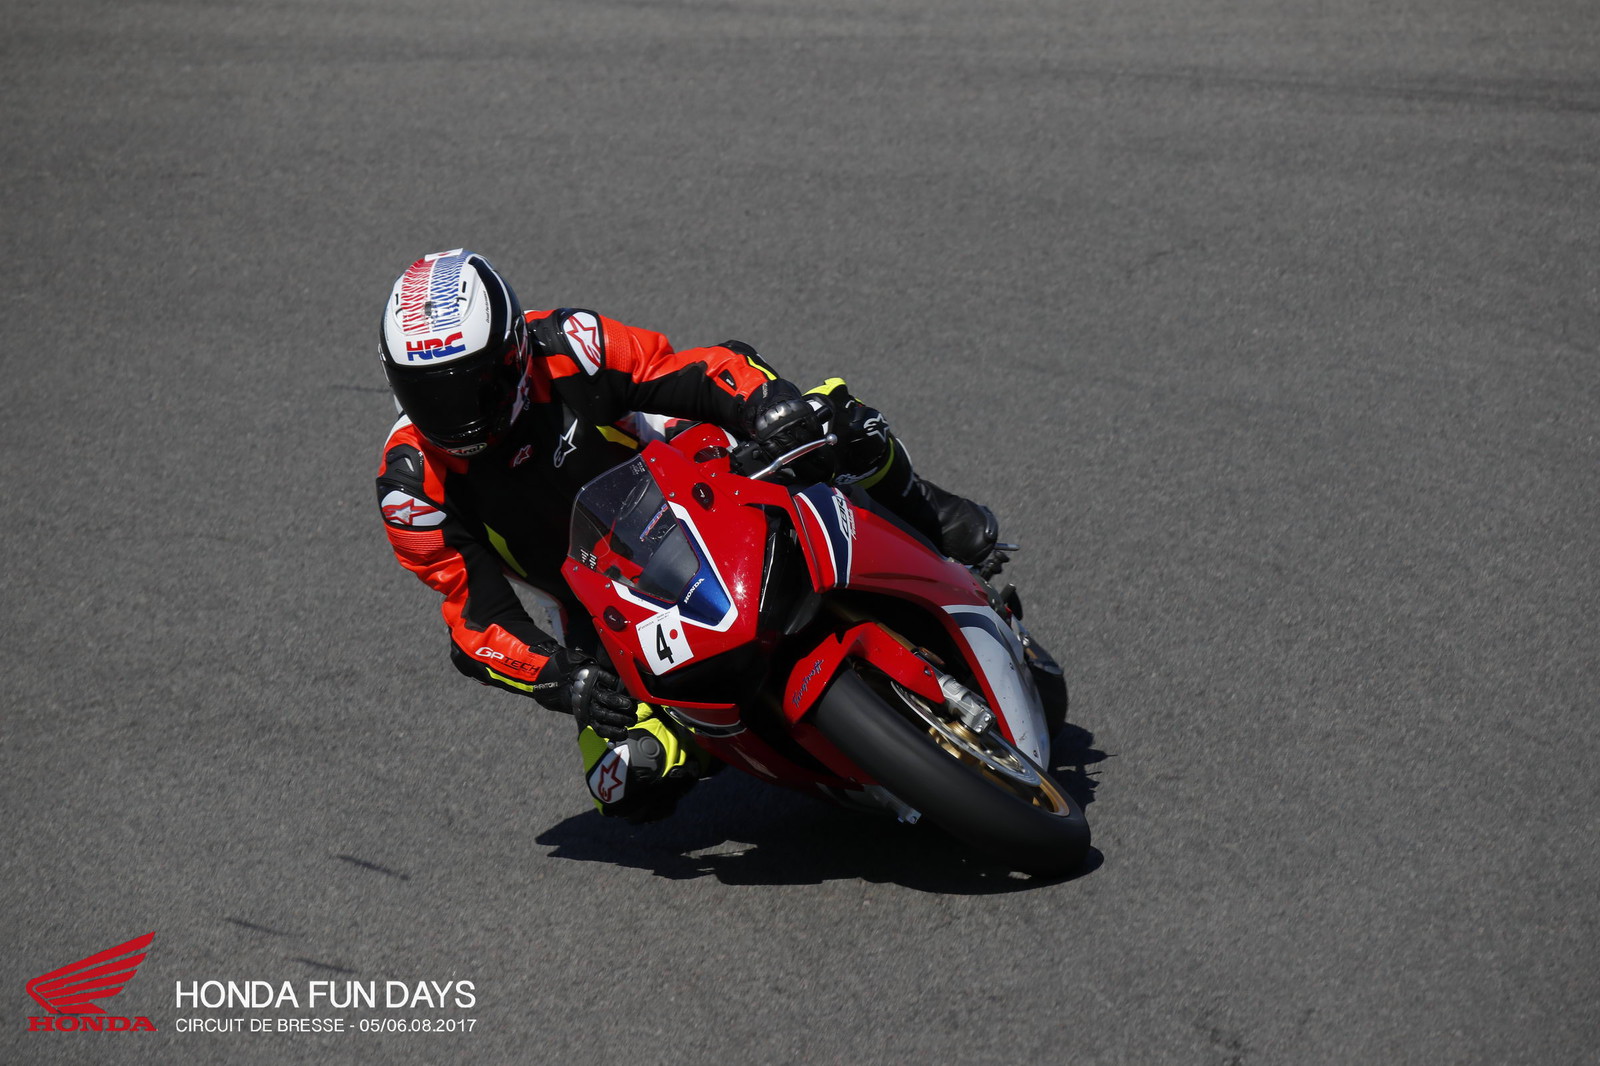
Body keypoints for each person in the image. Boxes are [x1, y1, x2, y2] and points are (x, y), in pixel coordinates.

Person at [374, 249, 1003, 822]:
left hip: (692, 483)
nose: (459, 416)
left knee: (832, 419)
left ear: (514, 352)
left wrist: (764, 403)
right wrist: (563, 678)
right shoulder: (410, 488)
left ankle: (928, 513)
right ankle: (769, 744)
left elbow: (694, 370)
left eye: (475, 385)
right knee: (626, 780)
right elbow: (477, 621)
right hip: (599, 603)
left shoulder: (567, 345)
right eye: (432, 398)